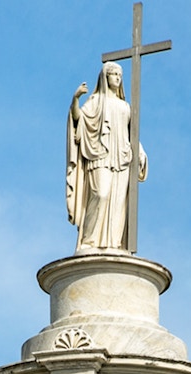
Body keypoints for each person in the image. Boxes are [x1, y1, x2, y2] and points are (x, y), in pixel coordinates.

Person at [66, 61, 148, 252]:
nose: (117, 78)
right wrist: (75, 99)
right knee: (101, 194)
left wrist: (141, 152)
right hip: (100, 155)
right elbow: (79, 120)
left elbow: (132, 135)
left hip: (122, 158)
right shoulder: (96, 101)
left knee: (118, 202)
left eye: (120, 75)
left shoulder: (125, 106)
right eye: (113, 74)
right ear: (105, 77)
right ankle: (89, 241)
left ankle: (114, 243)